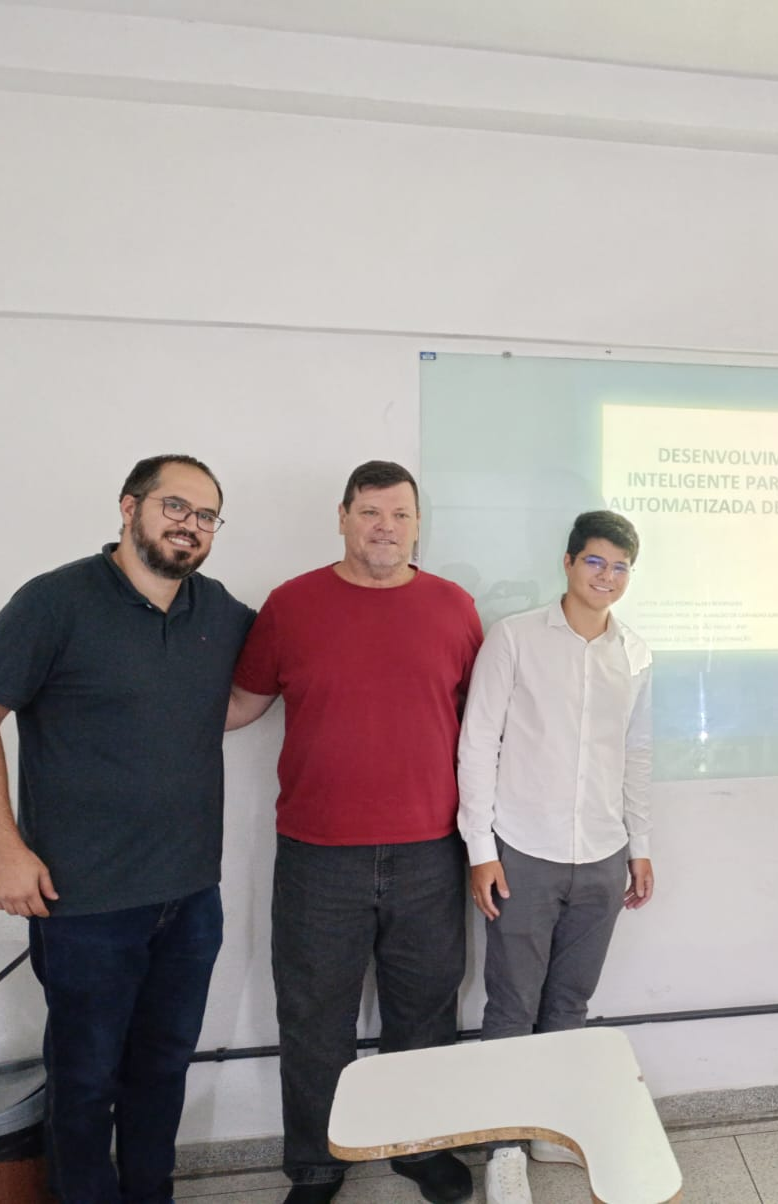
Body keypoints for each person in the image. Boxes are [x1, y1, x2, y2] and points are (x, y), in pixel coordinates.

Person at [0, 454, 254, 1202]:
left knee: (163, 1068)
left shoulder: (217, 611)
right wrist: (3, 850)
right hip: (84, 901)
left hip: (191, 895)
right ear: (129, 507)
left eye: (206, 515)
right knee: (86, 1080)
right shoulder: (55, 601)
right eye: (175, 506)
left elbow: (264, 682)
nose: (190, 525)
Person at [227, 461, 482, 1204]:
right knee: (314, 1018)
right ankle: (316, 1166)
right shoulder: (291, 604)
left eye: (400, 514)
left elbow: (485, 723)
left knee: (425, 1012)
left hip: (431, 850)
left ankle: (419, 1149)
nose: (385, 528)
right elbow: (240, 705)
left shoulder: (454, 607)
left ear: (417, 525)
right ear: (342, 517)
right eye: (370, 512)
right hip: (318, 855)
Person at [456, 510, 654, 1204]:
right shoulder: (514, 638)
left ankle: (549, 1128)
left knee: (569, 1001)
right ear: (568, 563)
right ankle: (503, 1149)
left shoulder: (635, 653)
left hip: (602, 852)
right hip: (524, 849)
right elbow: (477, 743)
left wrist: (640, 845)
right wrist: (481, 850)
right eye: (595, 561)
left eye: (620, 567)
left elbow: (636, 753)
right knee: (512, 1005)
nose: (607, 576)